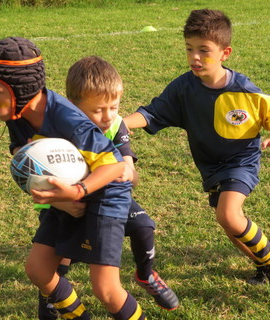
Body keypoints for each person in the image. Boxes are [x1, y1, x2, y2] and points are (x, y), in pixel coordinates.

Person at [123, 9, 270, 299]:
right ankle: (262, 263)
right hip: (211, 168)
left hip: (240, 162)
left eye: (204, 51)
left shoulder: (243, 89)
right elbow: (152, 113)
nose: (195, 57)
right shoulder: (183, 88)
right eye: (190, 49)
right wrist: (118, 122)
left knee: (229, 214)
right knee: (230, 225)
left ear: (225, 53)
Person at [0, 37, 146, 320]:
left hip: (106, 193)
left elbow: (113, 167)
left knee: (106, 290)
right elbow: (22, 156)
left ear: (19, 89)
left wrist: (77, 192)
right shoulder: (17, 112)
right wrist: (63, 202)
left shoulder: (67, 119)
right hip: (66, 195)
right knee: (38, 269)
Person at [36, 55, 179, 319]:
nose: (107, 116)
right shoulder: (60, 133)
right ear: (73, 107)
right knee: (56, 255)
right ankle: (50, 298)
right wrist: (59, 201)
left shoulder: (115, 125)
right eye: (98, 110)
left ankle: (146, 274)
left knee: (144, 226)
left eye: (113, 107)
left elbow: (131, 173)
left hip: (108, 198)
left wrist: (127, 172)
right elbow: (42, 178)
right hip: (69, 203)